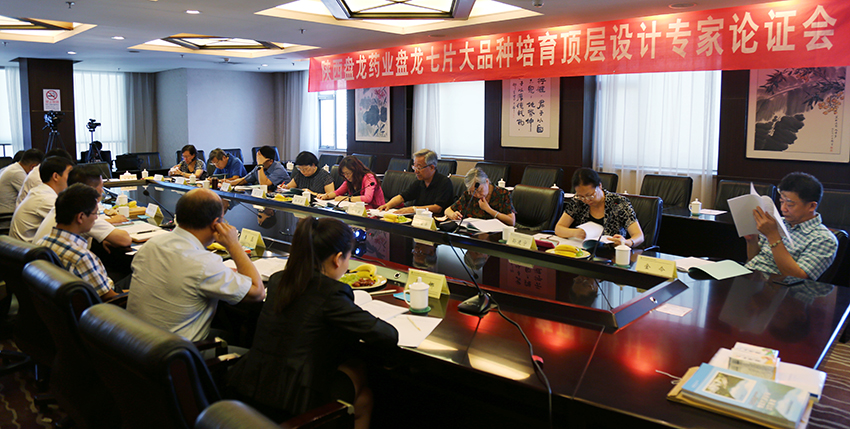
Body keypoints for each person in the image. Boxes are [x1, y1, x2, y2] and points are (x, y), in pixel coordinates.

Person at [227, 216, 398, 428]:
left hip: (251, 384)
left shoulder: (280, 279)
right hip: (293, 400)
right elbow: (387, 335)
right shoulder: (330, 292)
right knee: (358, 370)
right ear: (338, 259)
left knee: (363, 399)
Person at [127, 188, 265, 341]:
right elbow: (257, 293)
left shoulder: (151, 245)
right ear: (216, 224)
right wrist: (234, 245)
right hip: (176, 351)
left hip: (134, 343)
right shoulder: (204, 263)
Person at [745, 172, 837, 280]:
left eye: (790, 204)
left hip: (779, 287)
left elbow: (797, 277)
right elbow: (755, 259)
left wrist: (773, 236)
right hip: (752, 277)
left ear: (811, 206)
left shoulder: (824, 239)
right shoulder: (778, 222)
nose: (783, 209)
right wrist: (752, 240)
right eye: (781, 202)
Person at [36, 184, 119, 300]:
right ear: (80, 217)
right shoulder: (82, 257)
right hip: (106, 306)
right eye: (95, 213)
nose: (96, 218)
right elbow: (110, 298)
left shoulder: (41, 243)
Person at [33, 164, 133, 251]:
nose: (102, 191)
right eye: (101, 187)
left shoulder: (64, 205)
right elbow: (125, 240)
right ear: (90, 190)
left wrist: (104, 237)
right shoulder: (84, 214)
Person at [554, 168, 644, 248]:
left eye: (590, 195)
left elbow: (639, 235)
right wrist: (575, 233)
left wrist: (627, 242)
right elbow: (559, 228)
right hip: (583, 251)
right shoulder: (577, 201)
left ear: (599, 186)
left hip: (611, 253)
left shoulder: (618, 203)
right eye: (581, 196)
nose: (586, 200)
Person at [9, 156, 74, 242]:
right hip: (29, 248)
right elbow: (77, 222)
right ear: (55, 176)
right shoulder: (46, 199)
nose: (72, 178)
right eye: (69, 173)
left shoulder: (40, 191)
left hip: (24, 247)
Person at [377, 149, 455, 215]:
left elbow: (437, 208)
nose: (416, 171)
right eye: (414, 167)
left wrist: (413, 209)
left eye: (419, 167)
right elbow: (402, 197)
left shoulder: (444, 182)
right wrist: (388, 205)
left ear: (431, 167)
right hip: (419, 219)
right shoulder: (419, 182)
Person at [445, 167, 515, 226]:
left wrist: (489, 210)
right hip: (472, 232)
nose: (477, 195)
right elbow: (447, 210)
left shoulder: (503, 194)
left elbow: (512, 221)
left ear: (487, 182)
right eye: (472, 192)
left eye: (480, 190)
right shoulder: (468, 195)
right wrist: (453, 215)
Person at [318, 156, 385, 209]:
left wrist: (347, 199)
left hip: (376, 210)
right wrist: (326, 196)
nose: (346, 176)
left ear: (356, 170)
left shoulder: (369, 177)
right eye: (344, 174)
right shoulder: (350, 180)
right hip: (358, 210)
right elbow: (337, 192)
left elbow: (367, 198)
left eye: (348, 173)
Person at [0, 148, 43, 213]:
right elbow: (35, 197)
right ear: (33, 167)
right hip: (8, 215)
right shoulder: (17, 173)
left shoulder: (13, 168)